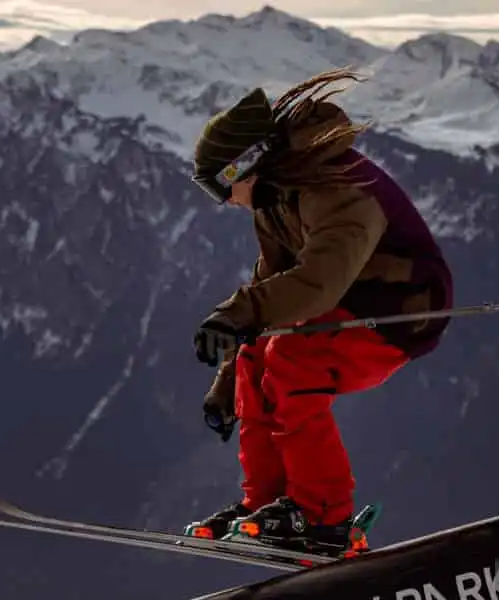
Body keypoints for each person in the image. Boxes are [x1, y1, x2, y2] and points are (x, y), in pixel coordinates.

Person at [183, 68, 454, 555]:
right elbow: (271, 289)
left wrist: (237, 313)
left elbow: (318, 284)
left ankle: (323, 514)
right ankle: (268, 504)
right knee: (258, 358)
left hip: (402, 310)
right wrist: (228, 384)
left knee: (293, 358)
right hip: (347, 303)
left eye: (219, 189)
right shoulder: (275, 199)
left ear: (243, 166)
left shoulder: (337, 185)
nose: (223, 203)